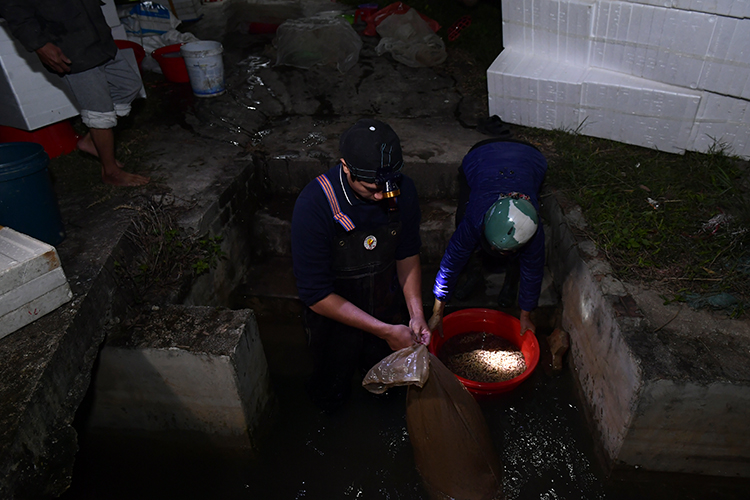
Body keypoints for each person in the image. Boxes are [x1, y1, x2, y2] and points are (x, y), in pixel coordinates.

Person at [291, 118, 431, 412]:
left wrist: (415, 314)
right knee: (330, 393)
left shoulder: (402, 192)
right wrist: (384, 330)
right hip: (334, 319)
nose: (382, 195)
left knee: (388, 393)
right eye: (372, 187)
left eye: (388, 186)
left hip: (387, 307)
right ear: (345, 167)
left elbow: (406, 254)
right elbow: (316, 294)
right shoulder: (314, 205)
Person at [0, 0, 150, 186]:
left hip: (97, 37)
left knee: (129, 86)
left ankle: (91, 141)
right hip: (68, 46)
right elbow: (14, 8)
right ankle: (111, 172)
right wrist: (39, 44)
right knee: (99, 113)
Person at [429, 137, 548, 336]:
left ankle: (511, 281)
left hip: (529, 156)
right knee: (462, 220)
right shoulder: (476, 216)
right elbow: (451, 262)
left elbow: (533, 271)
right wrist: (436, 311)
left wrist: (525, 316)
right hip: (482, 154)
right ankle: (474, 274)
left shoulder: (533, 230)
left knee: (524, 252)